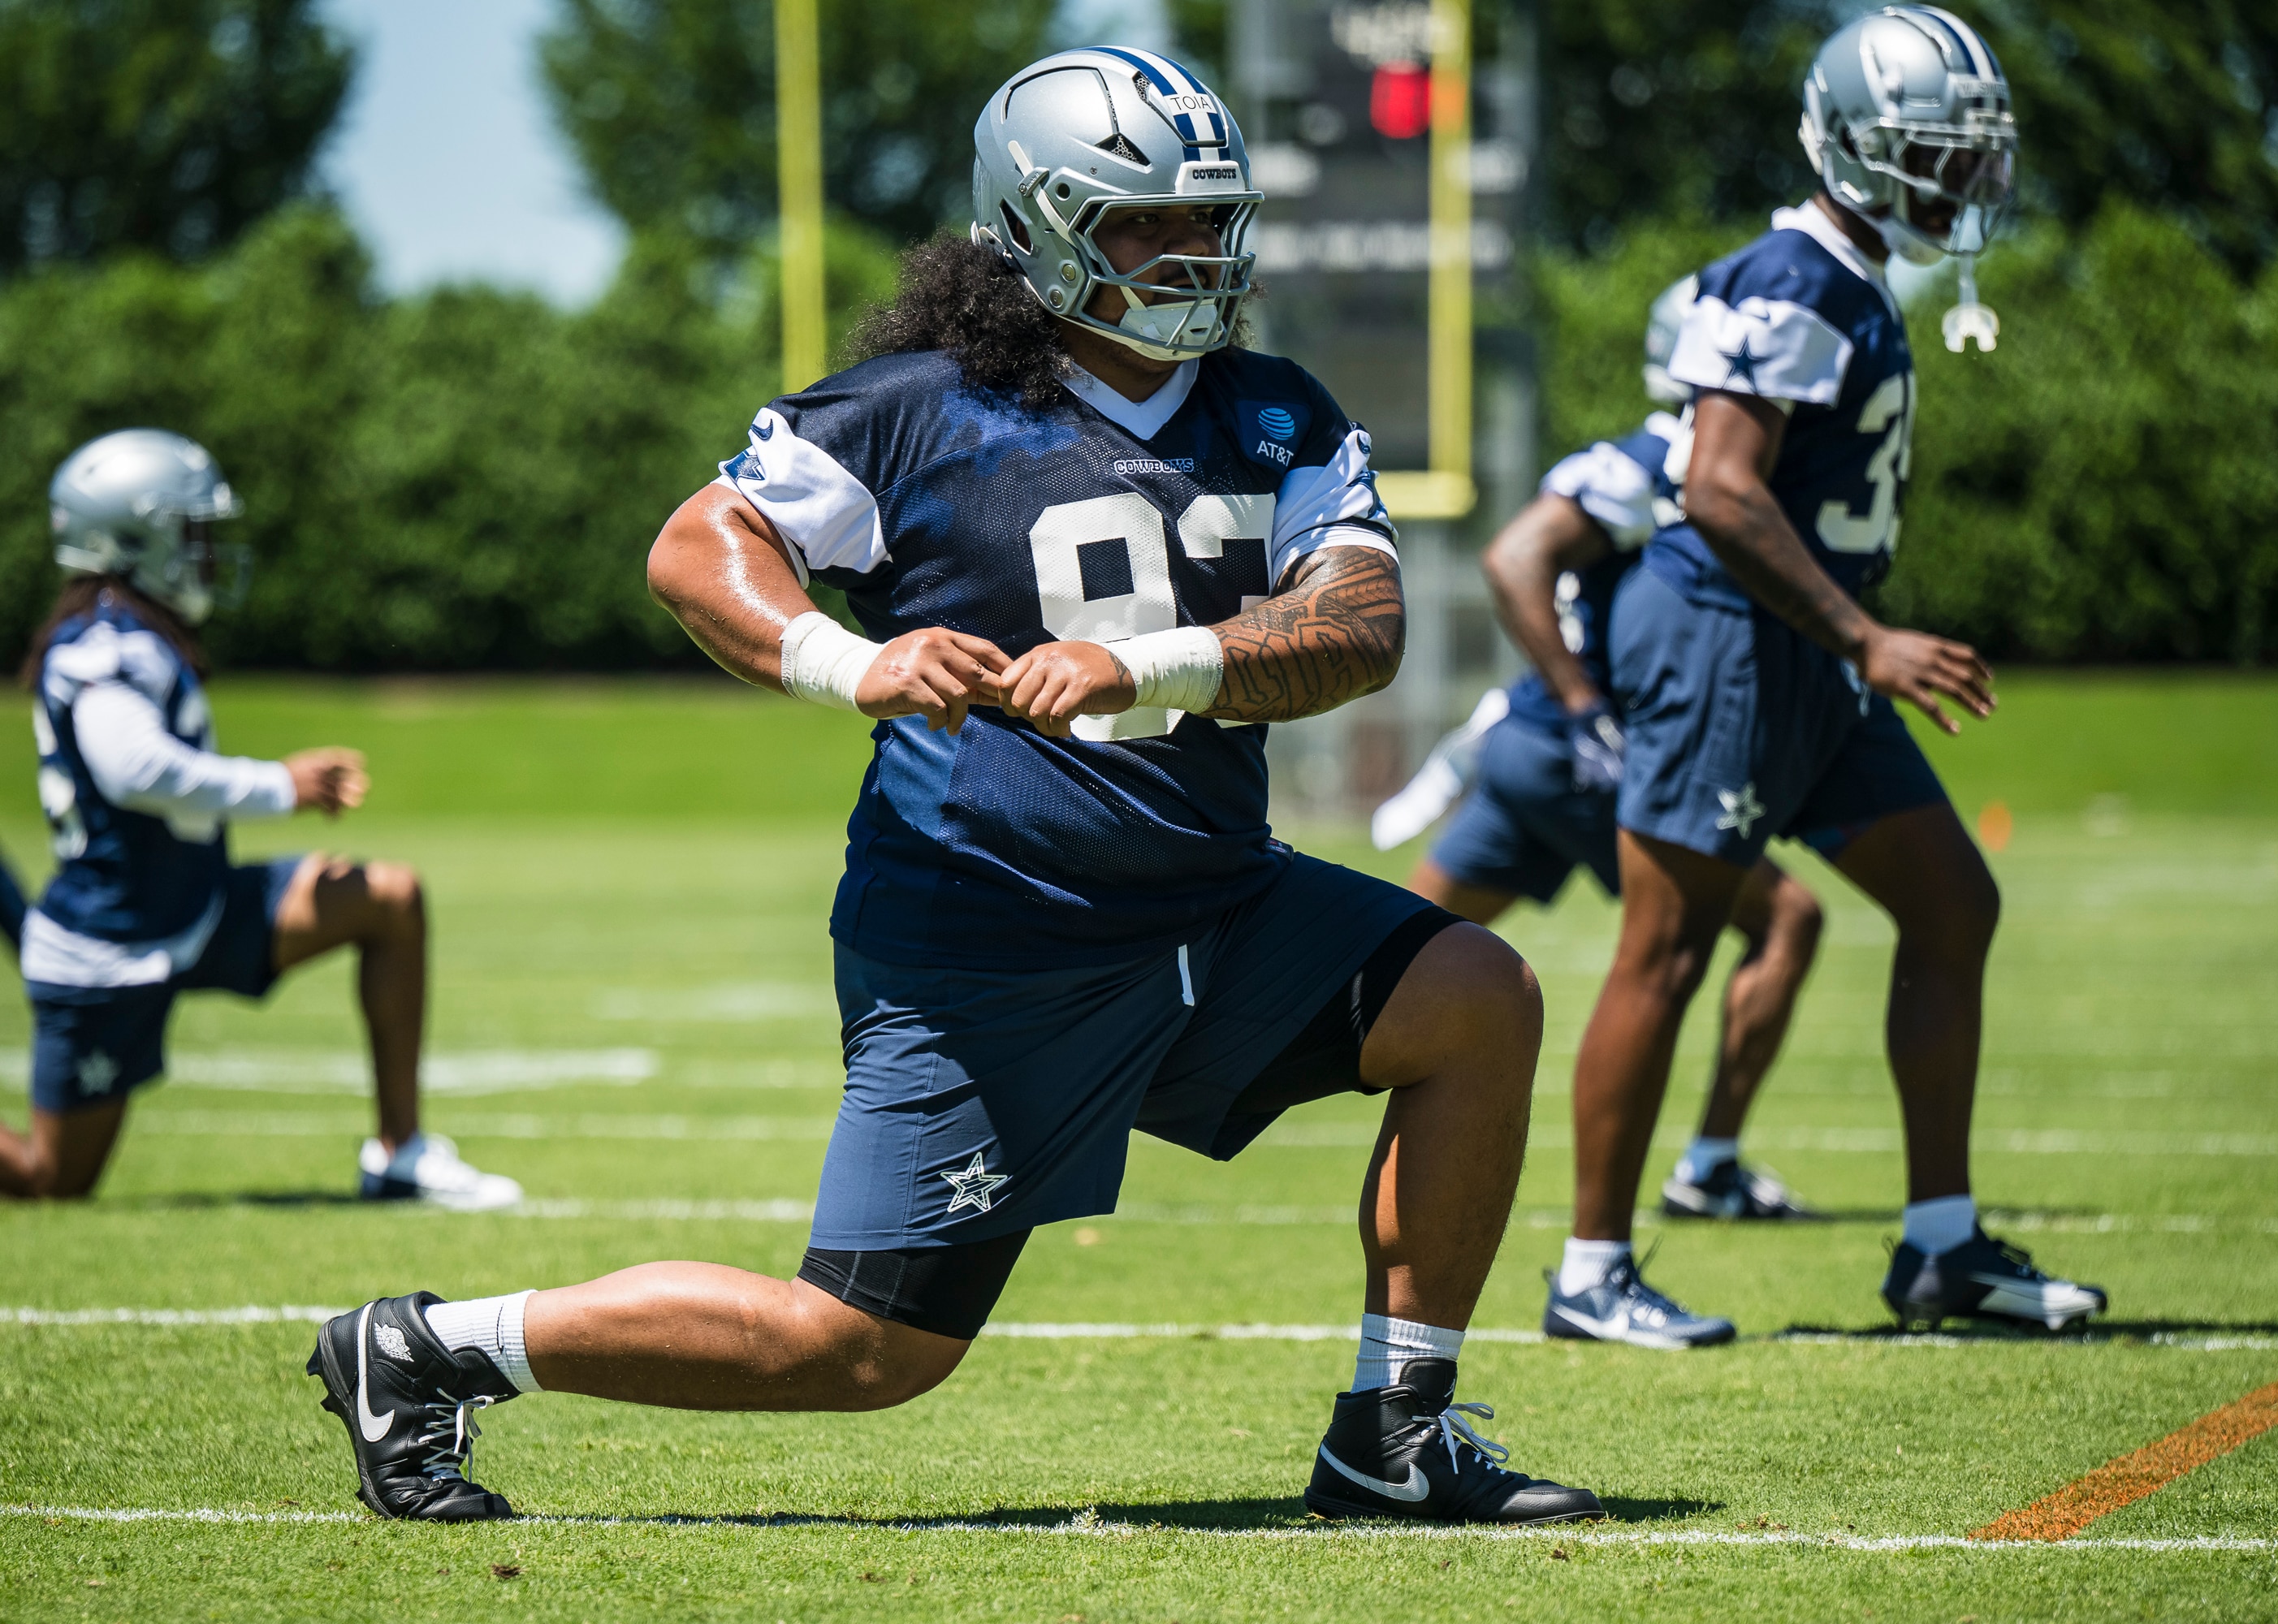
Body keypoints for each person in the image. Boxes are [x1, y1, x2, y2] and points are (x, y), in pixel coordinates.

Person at [302, 50, 1601, 1527]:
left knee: (1474, 997)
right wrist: (845, 664)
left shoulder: (1276, 412)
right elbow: (696, 545)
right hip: (995, 942)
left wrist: (1146, 665)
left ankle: (1395, 1437)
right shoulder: (922, 412)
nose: (1190, 252)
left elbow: (1359, 629)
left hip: (1216, 908)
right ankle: (424, 1350)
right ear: (1038, 227)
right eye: (1141, 222)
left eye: (1208, 218)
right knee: (858, 1349)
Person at [1567, 6, 2105, 1337]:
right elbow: (1720, 488)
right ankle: (1590, 1272)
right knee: (1668, 948)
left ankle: (1937, 1251)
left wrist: (1848, 641)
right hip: (1732, 649)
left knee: (1950, 902)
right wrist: (1868, 636)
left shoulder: (1852, 276)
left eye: (1971, 151)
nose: (1965, 179)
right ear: (1854, 147)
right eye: (1936, 150)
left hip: (1804, 657)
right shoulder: (1793, 279)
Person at [1395, 279, 1826, 1319]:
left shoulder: (1673, 463)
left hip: (1531, 750)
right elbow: (1515, 554)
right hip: (1579, 754)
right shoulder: (1664, 463)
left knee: (1402, 945)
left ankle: (1225, 1065)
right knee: (1781, 919)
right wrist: (1593, 706)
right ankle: (1708, 1162)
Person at [0, 429, 521, 1213]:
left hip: (200, 905)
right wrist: (283, 784)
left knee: (388, 897)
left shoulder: (134, 635)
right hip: (110, 948)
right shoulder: (101, 650)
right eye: (194, 533)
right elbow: (136, 772)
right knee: (52, 1182)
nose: (208, 553)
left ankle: (400, 1154)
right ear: (136, 536)